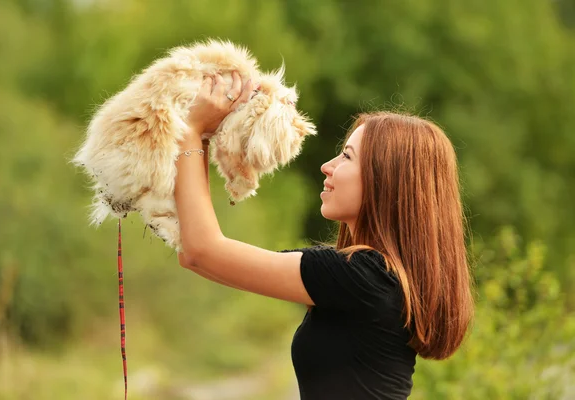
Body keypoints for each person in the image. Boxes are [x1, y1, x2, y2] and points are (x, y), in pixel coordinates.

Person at [174, 71, 474, 400]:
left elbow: (201, 251)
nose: (327, 166)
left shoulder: (361, 277)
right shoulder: (372, 278)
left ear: (384, 180)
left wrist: (192, 131)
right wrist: (200, 138)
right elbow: (199, 254)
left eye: (346, 156)